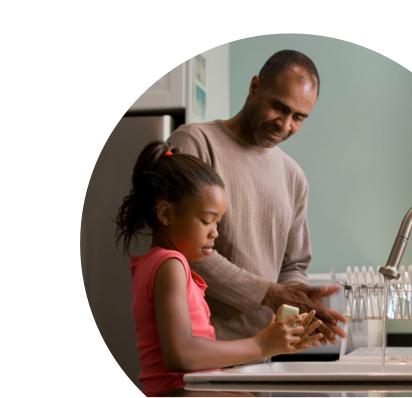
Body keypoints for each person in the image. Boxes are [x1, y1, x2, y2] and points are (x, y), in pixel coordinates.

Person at [167, 50, 347, 348]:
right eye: (279, 107)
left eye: (298, 117)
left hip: (261, 353)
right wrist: (269, 293)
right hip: (198, 350)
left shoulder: (293, 176)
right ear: (255, 87)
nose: (285, 125)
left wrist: (297, 299)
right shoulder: (195, 143)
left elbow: (293, 265)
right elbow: (180, 248)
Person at [115, 140, 323, 394]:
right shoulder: (170, 265)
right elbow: (181, 354)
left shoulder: (155, 263)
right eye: (206, 221)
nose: (215, 233)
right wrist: (261, 345)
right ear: (166, 214)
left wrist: (271, 341)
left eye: (218, 222)